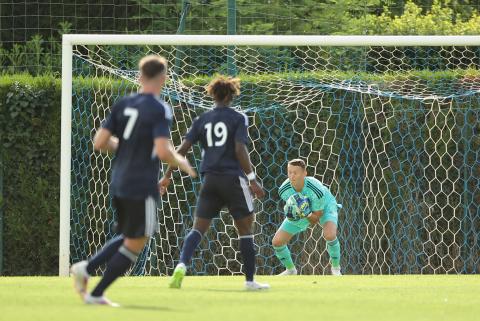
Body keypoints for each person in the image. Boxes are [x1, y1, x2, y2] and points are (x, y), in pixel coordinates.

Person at [70, 55, 196, 306]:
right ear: (163, 78)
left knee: (130, 234)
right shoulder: (160, 108)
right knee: (139, 237)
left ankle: (87, 271)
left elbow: (100, 142)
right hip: (141, 182)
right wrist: (180, 162)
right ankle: (94, 289)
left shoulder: (123, 103)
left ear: (140, 76)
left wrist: (127, 147)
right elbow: (162, 150)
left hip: (119, 180)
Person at [159, 75, 269, 291]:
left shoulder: (202, 120)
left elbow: (182, 150)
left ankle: (181, 265)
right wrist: (252, 179)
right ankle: (249, 281)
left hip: (209, 180)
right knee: (246, 228)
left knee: (198, 229)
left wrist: (167, 175)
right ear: (230, 95)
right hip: (233, 180)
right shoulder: (239, 118)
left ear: (213, 94)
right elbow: (240, 149)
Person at [272, 159, 342, 276]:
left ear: (305, 173)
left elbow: (315, 219)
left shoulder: (316, 189)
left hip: (324, 206)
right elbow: (294, 209)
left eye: (296, 172)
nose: (292, 176)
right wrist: (293, 213)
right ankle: (290, 270)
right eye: (289, 172)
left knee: (329, 235)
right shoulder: (284, 190)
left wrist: (306, 212)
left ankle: (336, 268)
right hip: (305, 212)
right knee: (277, 242)